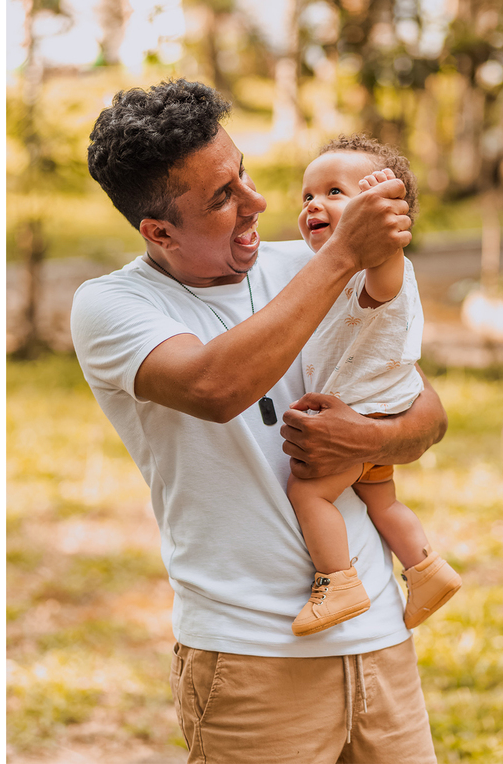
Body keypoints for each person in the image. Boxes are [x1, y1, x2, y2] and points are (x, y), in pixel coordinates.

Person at [70, 79, 447, 764]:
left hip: (379, 640)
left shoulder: (306, 262)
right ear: (159, 231)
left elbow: (426, 413)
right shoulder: (112, 307)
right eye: (223, 197)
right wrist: (344, 255)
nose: (258, 203)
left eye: (242, 173)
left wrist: (367, 439)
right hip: (249, 657)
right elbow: (214, 386)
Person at [287, 136, 462, 638]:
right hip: (379, 410)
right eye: (307, 195)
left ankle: (338, 581)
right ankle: (426, 571)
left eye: (334, 192)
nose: (313, 204)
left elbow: (384, 266)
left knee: (308, 493)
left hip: (361, 414)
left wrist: (381, 213)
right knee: (382, 503)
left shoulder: (380, 269)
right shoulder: (332, 271)